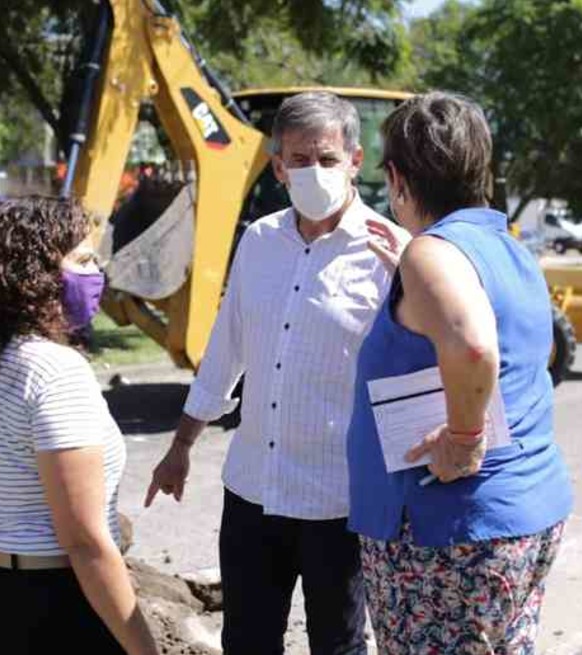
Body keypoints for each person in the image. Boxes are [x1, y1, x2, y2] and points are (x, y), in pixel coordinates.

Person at [144, 91, 408, 655]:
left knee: (337, 645)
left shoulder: (391, 254)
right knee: (247, 642)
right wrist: (181, 445)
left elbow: (415, 374)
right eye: (300, 159)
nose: (315, 172)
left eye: (328, 159)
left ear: (355, 161)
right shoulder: (259, 241)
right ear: (278, 167)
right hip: (253, 491)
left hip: (338, 503)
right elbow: (226, 350)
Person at [346, 92, 574, 654]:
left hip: (448, 535)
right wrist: (416, 271)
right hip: (520, 515)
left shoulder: (432, 253)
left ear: (397, 179)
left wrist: (465, 440)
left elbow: (473, 347)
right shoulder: (505, 249)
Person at [0, 197, 158, 655]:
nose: (96, 272)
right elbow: (84, 542)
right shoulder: (55, 372)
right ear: (34, 275)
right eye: (83, 260)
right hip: (52, 609)